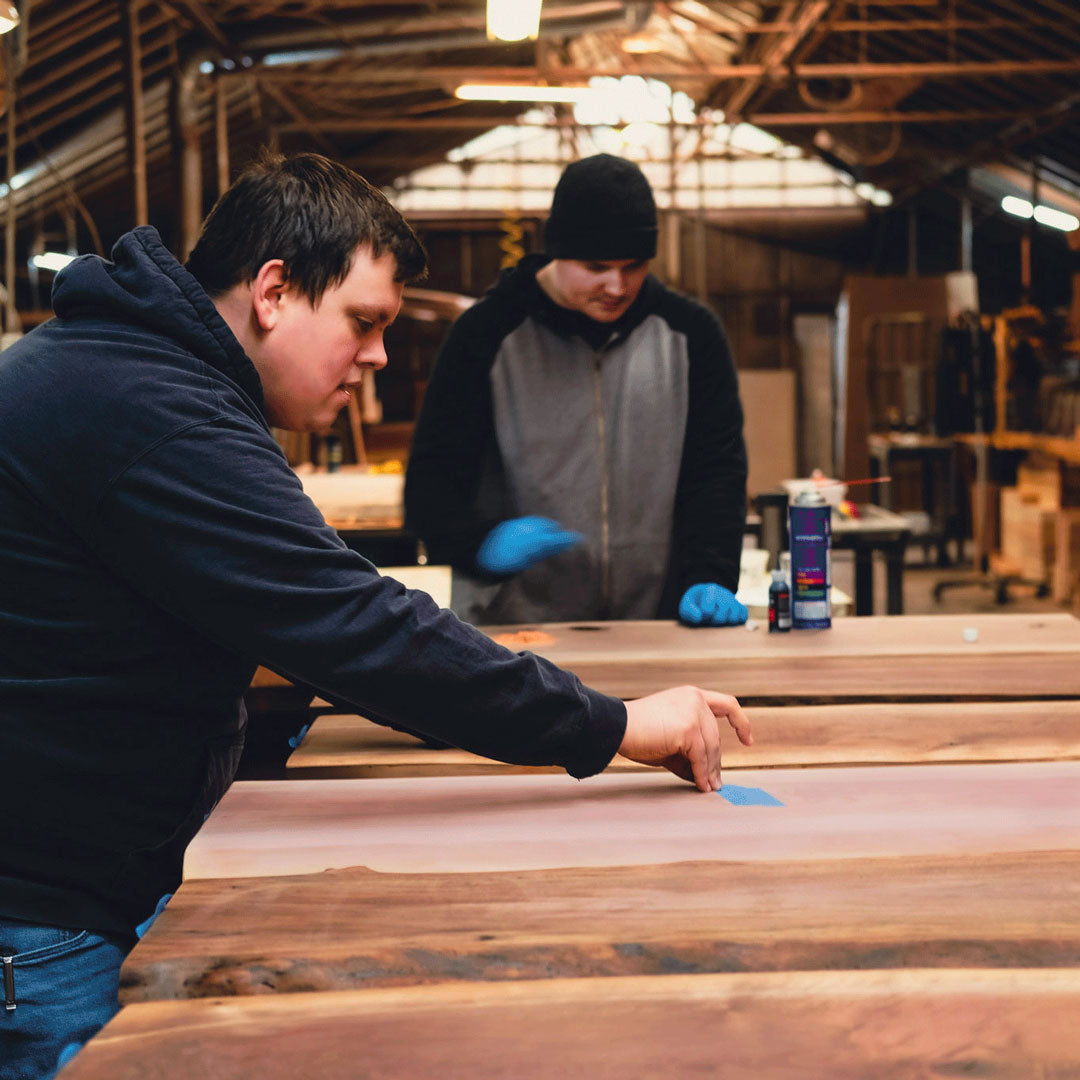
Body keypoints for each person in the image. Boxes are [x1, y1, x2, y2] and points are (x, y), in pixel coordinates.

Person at [0, 151, 752, 1080]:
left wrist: (450, 690)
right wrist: (621, 724)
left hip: (76, 881)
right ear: (274, 290)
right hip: (44, 917)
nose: (379, 357)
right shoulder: (155, 410)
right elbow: (348, 624)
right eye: (363, 322)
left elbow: (319, 622)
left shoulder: (144, 375)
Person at [404, 152, 749, 628]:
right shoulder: (486, 335)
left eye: (634, 265)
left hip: (655, 628)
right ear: (558, 252)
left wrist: (708, 574)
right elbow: (431, 484)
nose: (617, 285)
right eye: (596, 266)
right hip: (517, 635)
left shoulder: (690, 336)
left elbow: (717, 472)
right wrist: (476, 544)